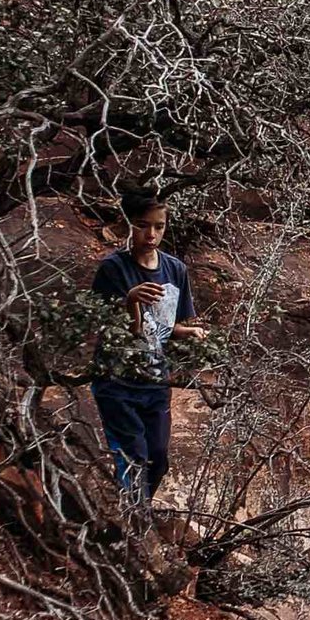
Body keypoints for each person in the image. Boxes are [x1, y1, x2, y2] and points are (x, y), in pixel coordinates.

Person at [88, 195, 199, 507]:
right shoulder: (113, 268)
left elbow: (162, 326)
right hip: (117, 381)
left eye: (159, 227)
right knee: (133, 457)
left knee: (158, 459)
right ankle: (133, 525)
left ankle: (134, 515)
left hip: (155, 382)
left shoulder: (175, 270)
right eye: (142, 226)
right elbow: (116, 327)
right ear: (128, 225)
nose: (151, 235)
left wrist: (189, 332)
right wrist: (130, 301)